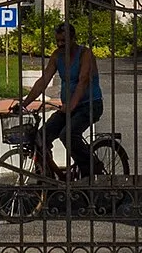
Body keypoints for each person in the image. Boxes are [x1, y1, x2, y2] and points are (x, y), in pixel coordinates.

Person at [17, 20, 102, 177]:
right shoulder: (57, 56)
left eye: (64, 40)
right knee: (41, 137)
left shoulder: (85, 54)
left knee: (68, 135)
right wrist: (24, 103)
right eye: (57, 41)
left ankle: (90, 172)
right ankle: (49, 179)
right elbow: (43, 80)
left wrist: (71, 105)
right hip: (69, 107)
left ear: (73, 38)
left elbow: (83, 81)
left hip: (89, 105)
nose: (60, 44)